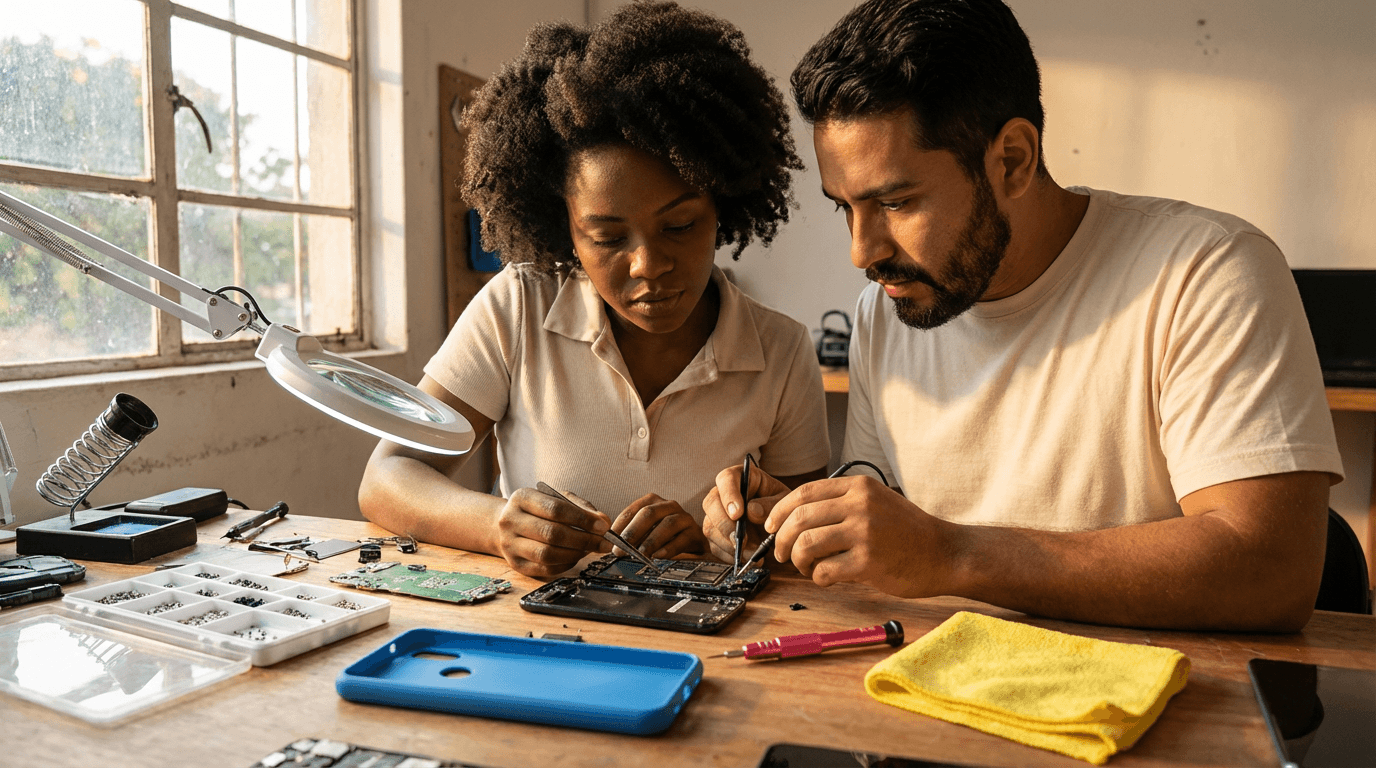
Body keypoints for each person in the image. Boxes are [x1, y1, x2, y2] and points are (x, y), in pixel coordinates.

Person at [702, 0, 1343, 631]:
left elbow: (1273, 568)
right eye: (845, 207)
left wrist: (952, 553)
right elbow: (898, 544)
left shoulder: (1205, 273)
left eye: (896, 202)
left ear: (1012, 159)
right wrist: (799, 529)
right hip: (936, 680)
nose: (862, 252)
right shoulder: (885, 314)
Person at [358, 1, 829, 578]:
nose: (648, 266)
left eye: (680, 226)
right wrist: (498, 525)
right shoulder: (519, 308)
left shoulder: (781, 352)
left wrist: (720, 547)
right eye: (607, 238)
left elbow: (806, 555)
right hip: (538, 623)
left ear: (723, 205)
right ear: (565, 230)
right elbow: (386, 477)